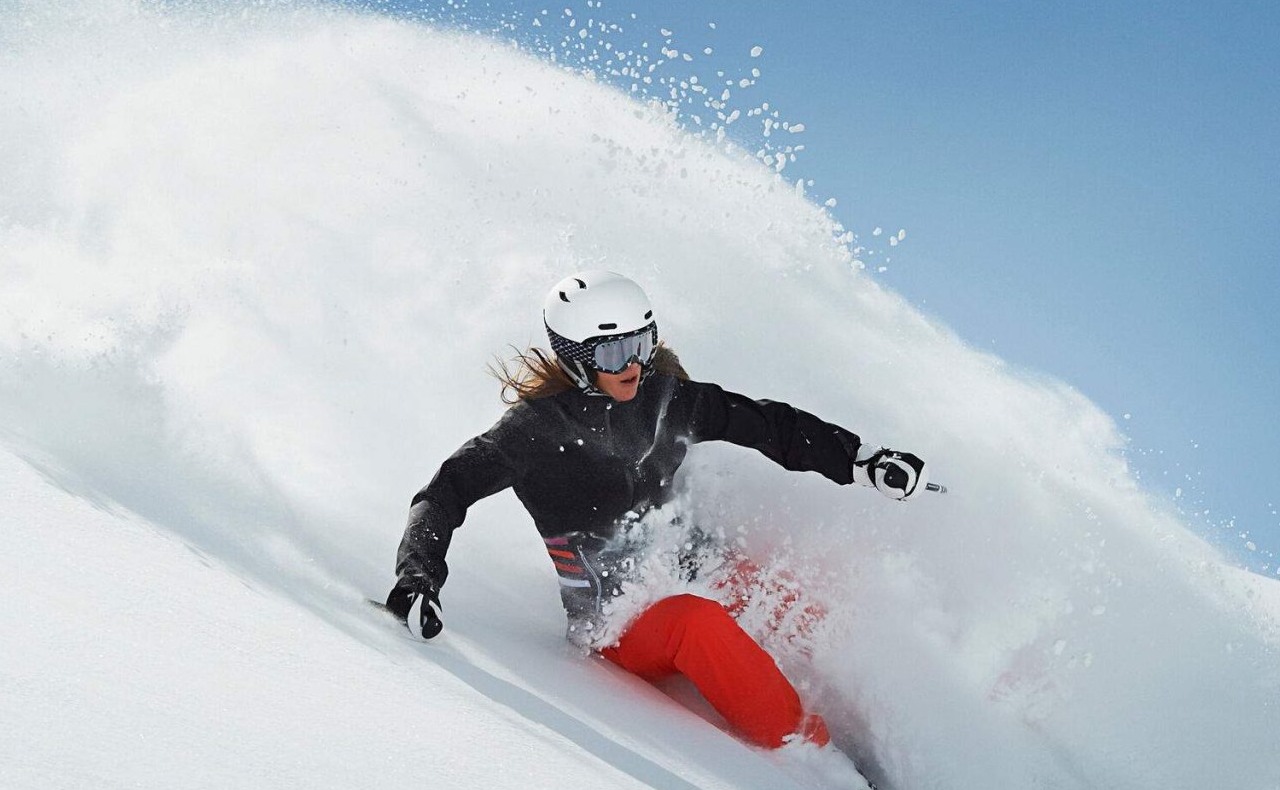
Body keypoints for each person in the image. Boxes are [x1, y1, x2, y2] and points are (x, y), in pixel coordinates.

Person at [385, 270, 933, 750]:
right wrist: (419, 575)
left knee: (781, 588)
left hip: (691, 566)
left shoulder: (666, 399)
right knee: (698, 623)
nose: (634, 364)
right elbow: (445, 492)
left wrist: (861, 459)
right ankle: (807, 749)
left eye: (641, 343)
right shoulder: (532, 432)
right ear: (577, 361)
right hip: (619, 621)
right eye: (613, 353)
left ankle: (884, 716)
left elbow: (768, 425)